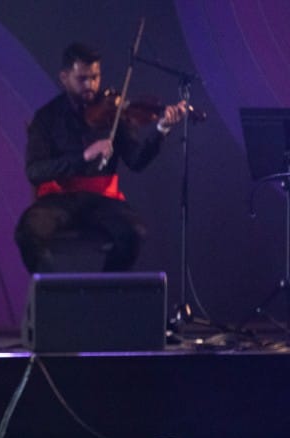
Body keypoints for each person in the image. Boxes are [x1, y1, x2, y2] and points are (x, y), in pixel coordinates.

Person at [15, 42, 188, 273]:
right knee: (28, 232)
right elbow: (35, 171)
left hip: (102, 200)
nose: (90, 85)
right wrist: (83, 156)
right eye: (82, 79)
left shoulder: (114, 112)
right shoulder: (46, 117)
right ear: (64, 77)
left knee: (134, 233)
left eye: (95, 77)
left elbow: (136, 161)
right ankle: (54, 288)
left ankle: (105, 287)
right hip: (59, 199)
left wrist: (161, 130)